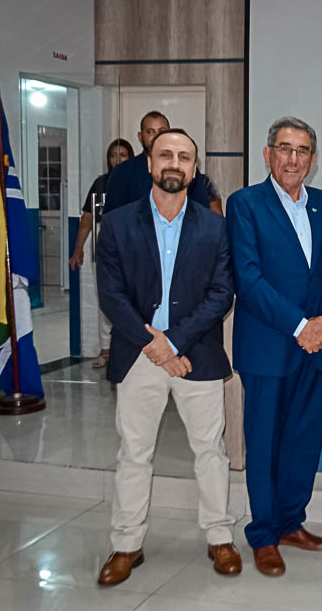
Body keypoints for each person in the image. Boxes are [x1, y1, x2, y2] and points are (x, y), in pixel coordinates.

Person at [95, 128, 240, 585]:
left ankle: (219, 537)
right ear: (150, 164)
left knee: (210, 452)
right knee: (134, 453)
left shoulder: (216, 227)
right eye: (165, 155)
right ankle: (126, 545)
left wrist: (173, 343)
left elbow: (222, 295)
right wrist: (153, 344)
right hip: (138, 353)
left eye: (184, 157)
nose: (174, 163)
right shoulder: (117, 223)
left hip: (194, 352)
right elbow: (111, 294)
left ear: (194, 170)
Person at [226, 117, 322, 577]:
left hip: (318, 345)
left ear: (313, 160)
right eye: (285, 148)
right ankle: (262, 533)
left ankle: (290, 522)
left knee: (303, 441)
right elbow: (249, 278)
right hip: (269, 345)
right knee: (263, 443)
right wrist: (300, 324)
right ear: (267, 154)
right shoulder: (245, 204)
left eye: (302, 151)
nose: (293, 158)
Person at [70, 138, 134, 368]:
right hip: (105, 248)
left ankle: (131, 348)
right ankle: (105, 349)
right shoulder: (100, 184)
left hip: (133, 249)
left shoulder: (137, 179)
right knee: (105, 298)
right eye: (114, 155)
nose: (118, 160)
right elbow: (87, 219)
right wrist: (78, 250)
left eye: (123, 155)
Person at [103, 110, 223, 215]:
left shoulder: (184, 169)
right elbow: (113, 217)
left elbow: (201, 211)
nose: (156, 136)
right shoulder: (123, 171)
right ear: (140, 136)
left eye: (161, 131)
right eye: (150, 132)